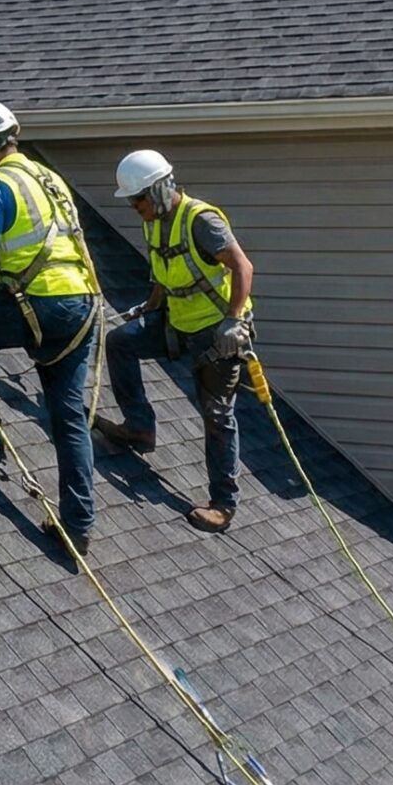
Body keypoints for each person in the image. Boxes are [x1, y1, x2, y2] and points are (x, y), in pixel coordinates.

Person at [0, 100, 104, 557]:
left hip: (42, 303)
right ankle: (77, 526)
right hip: (83, 304)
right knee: (69, 418)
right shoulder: (48, 178)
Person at [93, 149, 257, 532]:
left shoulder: (201, 221)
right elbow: (163, 274)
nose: (135, 208)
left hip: (217, 332)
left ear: (160, 190)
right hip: (178, 322)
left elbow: (243, 266)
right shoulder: (153, 223)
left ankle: (223, 504)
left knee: (217, 414)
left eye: (138, 199)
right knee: (121, 342)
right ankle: (139, 427)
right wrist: (148, 308)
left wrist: (234, 321)